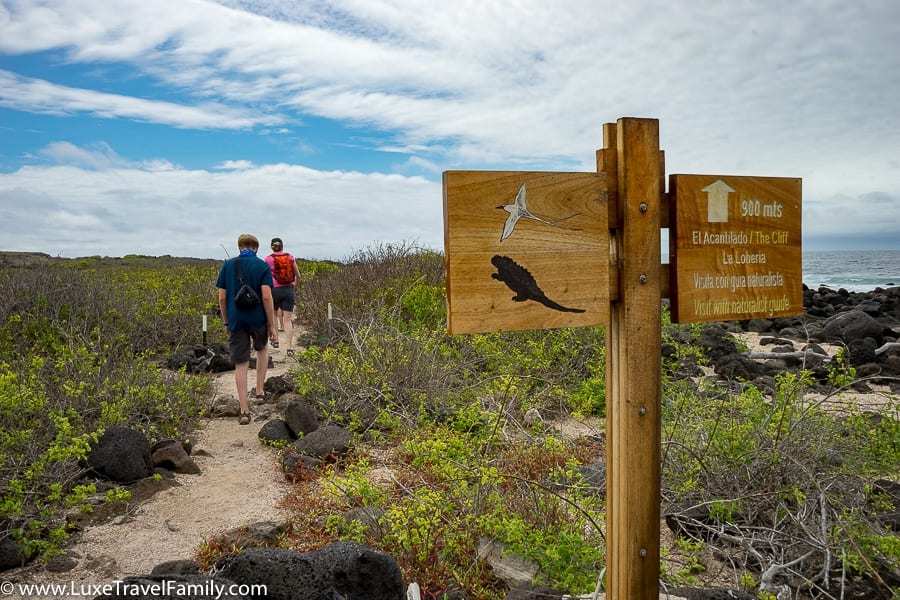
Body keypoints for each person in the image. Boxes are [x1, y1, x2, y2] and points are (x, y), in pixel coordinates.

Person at [216, 234, 278, 425]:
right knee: (261, 350)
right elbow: (267, 297)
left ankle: (244, 410)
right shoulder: (262, 266)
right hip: (258, 319)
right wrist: (272, 325)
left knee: (241, 362)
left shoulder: (228, 265)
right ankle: (259, 392)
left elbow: (222, 298)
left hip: (236, 319)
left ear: (239, 247)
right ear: (256, 248)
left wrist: (227, 322)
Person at [264, 237, 301, 356]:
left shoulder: (268, 259)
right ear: (282, 246)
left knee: (274, 314)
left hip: (274, 290)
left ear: (271, 247)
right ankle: (289, 347)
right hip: (288, 289)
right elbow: (298, 275)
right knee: (287, 319)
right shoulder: (290, 257)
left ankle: (276, 340)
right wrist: (295, 287)